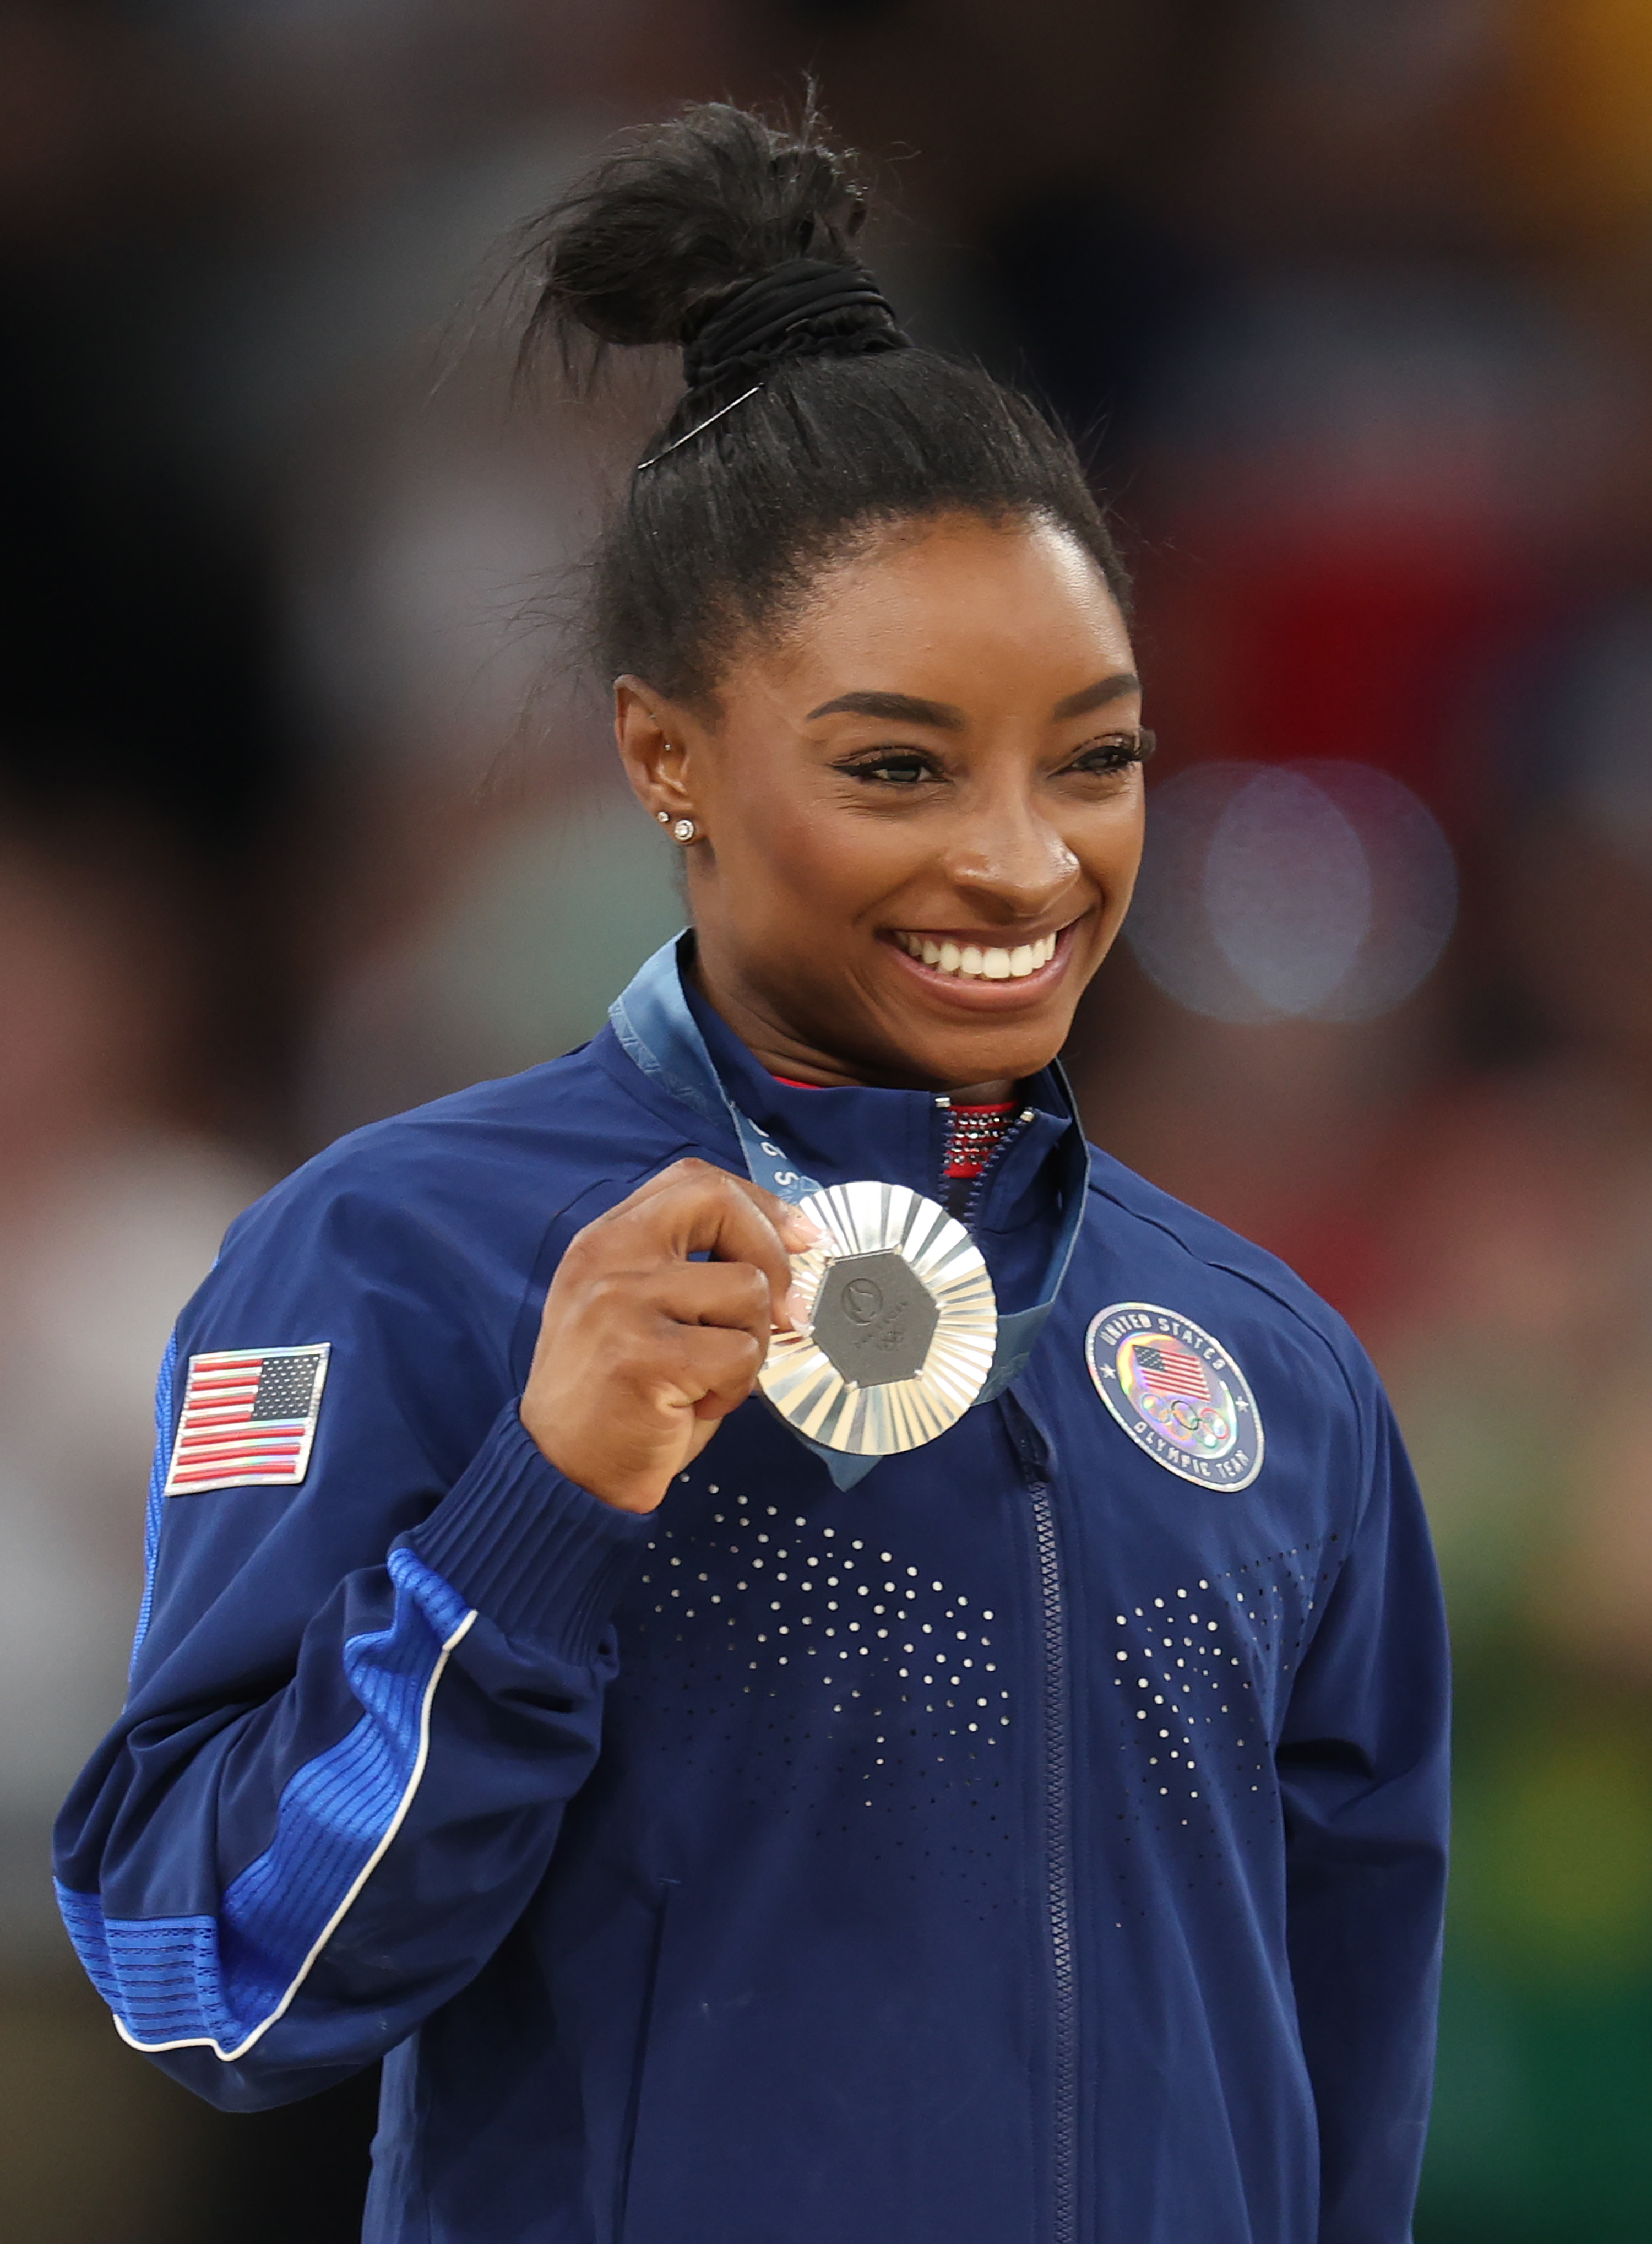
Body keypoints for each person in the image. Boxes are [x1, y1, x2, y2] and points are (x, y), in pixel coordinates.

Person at [54, 102, 1449, 2244]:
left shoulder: (1279, 1373)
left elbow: (1352, 2111)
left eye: (1097, 756)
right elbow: (190, 1970)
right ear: (666, 756)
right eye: (899, 761)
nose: (1023, 857)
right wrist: (532, 1511)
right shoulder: (401, 1257)